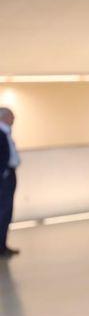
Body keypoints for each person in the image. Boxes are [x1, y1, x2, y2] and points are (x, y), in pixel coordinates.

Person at [0, 108, 19, 258]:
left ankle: (3, 245)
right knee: (3, 211)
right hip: (4, 179)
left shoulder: (6, 134)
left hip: (8, 176)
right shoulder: (1, 134)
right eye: (11, 117)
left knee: (6, 212)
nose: (13, 120)